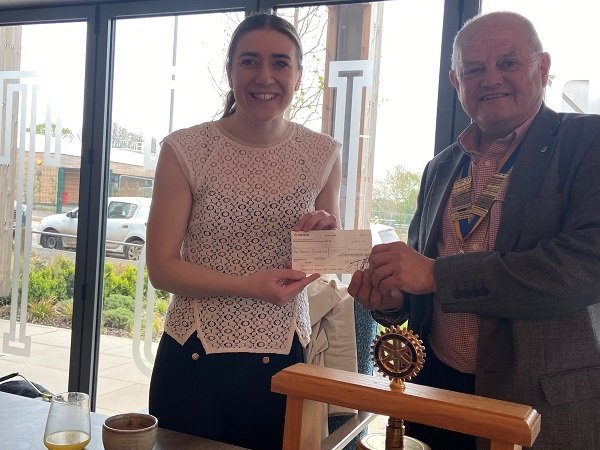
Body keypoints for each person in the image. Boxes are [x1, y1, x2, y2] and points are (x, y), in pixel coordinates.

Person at [349, 11, 600, 450]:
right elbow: (422, 283)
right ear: (455, 81)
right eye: (474, 69)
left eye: (508, 63)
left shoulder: (586, 142)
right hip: (437, 393)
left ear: (542, 68)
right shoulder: (441, 167)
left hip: (538, 406)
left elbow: (583, 267)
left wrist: (436, 276)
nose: (491, 79)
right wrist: (392, 301)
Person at [145, 13, 341, 450]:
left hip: (286, 352)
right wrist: (247, 286)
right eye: (250, 61)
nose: (265, 77)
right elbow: (161, 268)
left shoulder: (322, 152)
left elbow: (326, 260)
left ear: (299, 74)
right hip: (194, 352)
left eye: (280, 63)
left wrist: (321, 235)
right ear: (230, 69)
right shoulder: (186, 149)